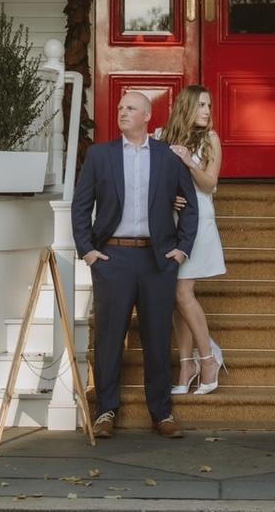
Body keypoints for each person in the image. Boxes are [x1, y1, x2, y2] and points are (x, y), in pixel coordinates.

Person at [71, 90, 199, 439]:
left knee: (158, 337)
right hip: (113, 257)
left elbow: (189, 204)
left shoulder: (167, 157)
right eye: (119, 108)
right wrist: (88, 251)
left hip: (157, 259)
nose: (122, 112)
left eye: (130, 108)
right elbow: (80, 206)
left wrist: (181, 249)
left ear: (146, 116)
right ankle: (105, 411)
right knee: (110, 337)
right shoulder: (100, 155)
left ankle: (162, 413)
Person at [160, 86, 227, 396]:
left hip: (198, 221)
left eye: (209, 105)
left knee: (182, 291)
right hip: (169, 224)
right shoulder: (162, 136)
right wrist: (166, 199)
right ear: (186, 106)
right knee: (176, 300)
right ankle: (187, 366)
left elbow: (209, 183)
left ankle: (208, 359)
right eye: (201, 104)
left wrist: (189, 161)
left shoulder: (209, 139)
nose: (207, 110)